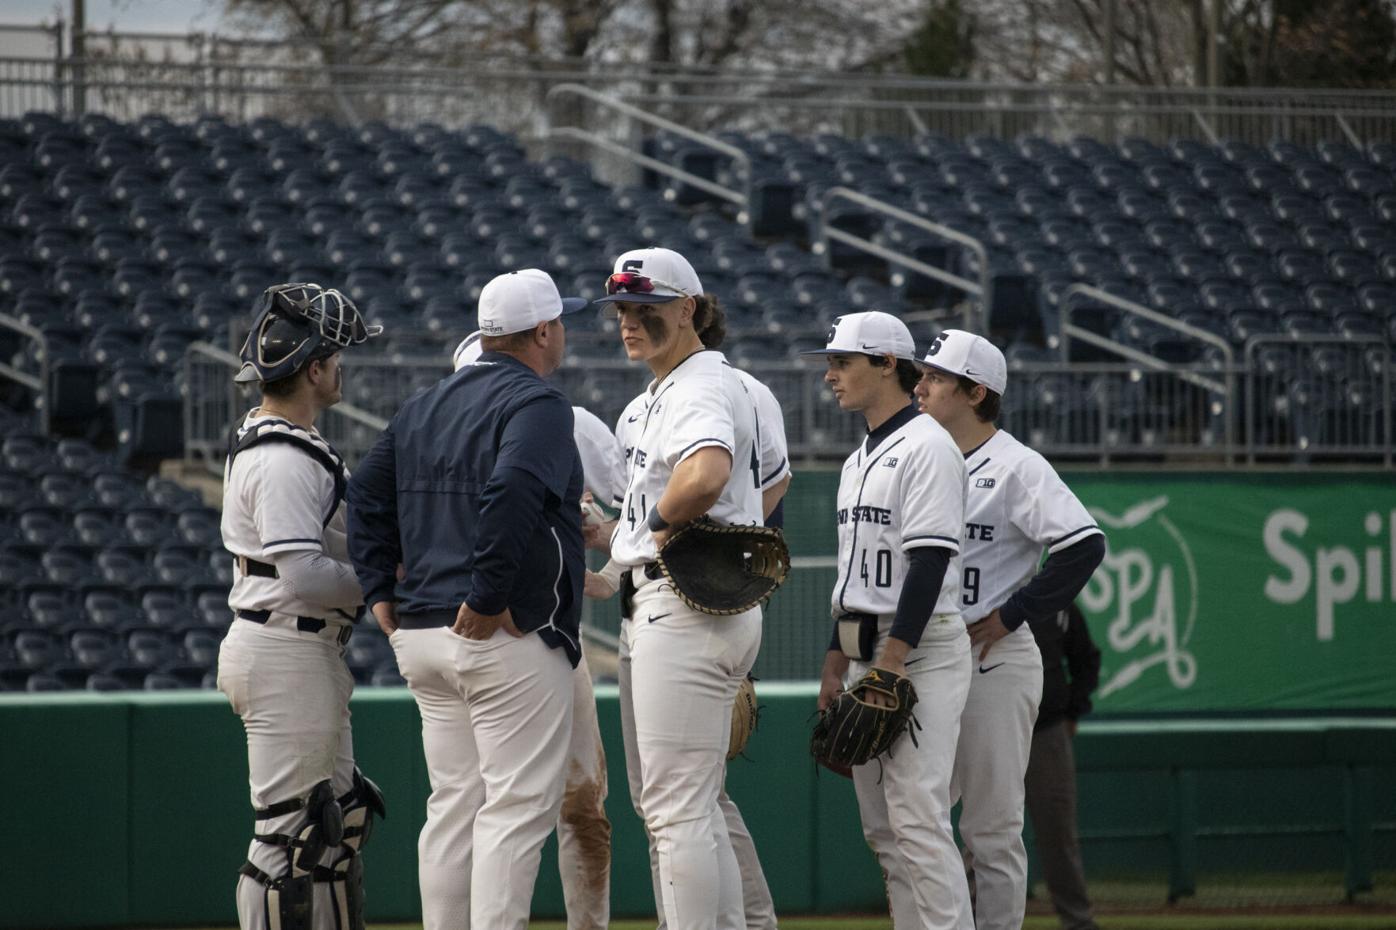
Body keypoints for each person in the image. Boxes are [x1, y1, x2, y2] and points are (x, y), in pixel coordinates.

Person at [346, 269, 588, 930]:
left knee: (454, 805)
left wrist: (379, 591)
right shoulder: (538, 402)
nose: (563, 331)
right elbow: (510, 490)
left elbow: (364, 494)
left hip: (423, 633)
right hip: (498, 636)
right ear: (542, 332)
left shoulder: (423, 404)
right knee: (513, 810)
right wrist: (488, 594)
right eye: (559, 321)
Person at [593, 290, 790, 930]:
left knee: (677, 811)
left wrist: (654, 527)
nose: (628, 320)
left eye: (645, 306)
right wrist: (619, 550)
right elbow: (762, 485)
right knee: (685, 806)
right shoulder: (649, 401)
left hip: (685, 605)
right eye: (621, 310)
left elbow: (710, 476)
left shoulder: (706, 382)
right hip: (665, 602)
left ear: (690, 309)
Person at [913, 329, 1107, 930]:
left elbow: (1084, 544)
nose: (920, 386)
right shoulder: (920, 455)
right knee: (917, 818)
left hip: (993, 656)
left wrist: (1016, 611)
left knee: (991, 827)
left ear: (975, 393)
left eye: (937, 378)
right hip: (930, 652)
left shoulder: (1017, 465)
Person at [217, 282, 385, 930]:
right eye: (335, 357)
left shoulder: (288, 441)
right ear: (313, 369)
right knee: (285, 838)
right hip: (284, 643)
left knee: (339, 820)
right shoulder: (283, 456)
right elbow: (307, 575)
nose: (341, 367)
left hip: (300, 647)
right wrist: (384, 581)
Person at [806, 310, 972, 930]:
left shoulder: (928, 445)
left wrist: (891, 663)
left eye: (842, 362)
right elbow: (854, 581)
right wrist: (835, 662)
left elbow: (929, 563)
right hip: (867, 653)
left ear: (887, 365)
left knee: (919, 818)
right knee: (883, 829)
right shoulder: (857, 460)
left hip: (919, 653)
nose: (829, 375)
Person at [454, 329, 616, 930]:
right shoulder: (444, 428)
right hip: (473, 636)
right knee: (474, 810)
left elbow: (634, 515)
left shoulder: (566, 423)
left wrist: (598, 551)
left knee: (581, 806)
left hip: (548, 639)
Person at [1025, 601, 1103, 930]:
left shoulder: (1056, 602)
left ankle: (1078, 922)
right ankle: (972, 920)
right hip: (990, 728)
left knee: (1058, 832)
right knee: (982, 833)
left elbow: (1086, 659)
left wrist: (1073, 710)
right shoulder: (981, 591)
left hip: (1046, 731)